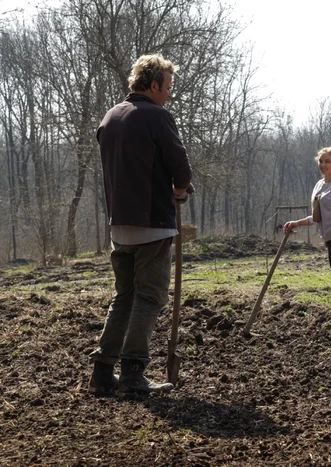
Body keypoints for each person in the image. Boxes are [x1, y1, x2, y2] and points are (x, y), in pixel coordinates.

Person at [88, 54, 193, 396]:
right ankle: (133, 373)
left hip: (120, 224)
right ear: (152, 85)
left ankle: (103, 372)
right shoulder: (157, 117)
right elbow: (181, 166)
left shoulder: (111, 117)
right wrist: (179, 192)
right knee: (149, 297)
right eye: (166, 87)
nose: (168, 95)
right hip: (153, 223)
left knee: (124, 296)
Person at [284, 146, 331, 338]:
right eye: (321, 161)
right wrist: (297, 223)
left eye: (327, 161)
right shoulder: (319, 186)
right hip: (330, 242)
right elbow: (318, 217)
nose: (323, 165)